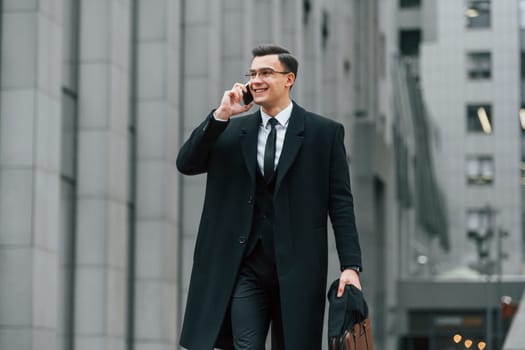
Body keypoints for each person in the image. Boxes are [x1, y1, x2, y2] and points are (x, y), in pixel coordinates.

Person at [177, 44, 362, 350]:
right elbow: (187, 163)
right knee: (245, 346)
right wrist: (221, 114)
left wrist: (350, 266)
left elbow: (341, 204)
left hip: (299, 268)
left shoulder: (323, 134)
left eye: (265, 73)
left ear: (289, 79)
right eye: (252, 74)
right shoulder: (232, 131)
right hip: (245, 267)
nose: (256, 80)